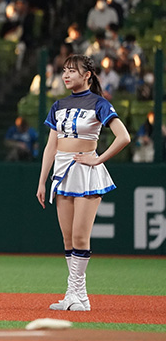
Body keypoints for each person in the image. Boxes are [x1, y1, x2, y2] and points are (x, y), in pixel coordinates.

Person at [36, 54, 130, 312]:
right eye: (64, 70)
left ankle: (80, 295)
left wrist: (98, 159)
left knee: (80, 235)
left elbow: (123, 137)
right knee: (68, 238)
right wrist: (42, 181)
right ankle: (73, 295)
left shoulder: (99, 103)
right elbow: (50, 146)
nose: (66, 75)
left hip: (86, 172)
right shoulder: (58, 104)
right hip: (62, 170)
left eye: (72, 71)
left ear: (87, 74)